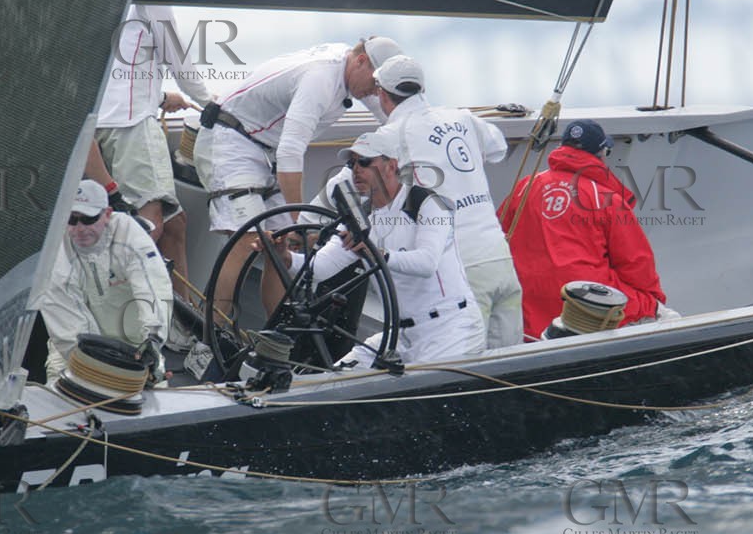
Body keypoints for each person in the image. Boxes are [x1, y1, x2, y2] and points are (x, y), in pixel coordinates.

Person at [193, 35, 402, 320]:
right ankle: (208, 336)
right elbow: (292, 152)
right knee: (247, 241)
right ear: (362, 61)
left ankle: (274, 341)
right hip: (231, 141)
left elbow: (394, 120)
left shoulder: (353, 69)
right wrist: (299, 221)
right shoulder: (320, 79)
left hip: (266, 150)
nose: (375, 92)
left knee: (285, 248)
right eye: (375, 83)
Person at [281, 123, 485, 365]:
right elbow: (319, 269)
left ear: (392, 166)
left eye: (365, 162)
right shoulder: (360, 220)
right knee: (338, 379)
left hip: (451, 329)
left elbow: (427, 263)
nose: (356, 169)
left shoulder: (429, 203)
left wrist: (376, 253)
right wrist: (282, 255)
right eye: (352, 163)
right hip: (400, 334)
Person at [375, 54, 523, 349]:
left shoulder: (390, 136)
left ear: (382, 94)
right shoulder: (462, 117)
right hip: (500, 258)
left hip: (463, 269)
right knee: (509, 362)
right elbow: (497, 150)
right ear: (421, 89)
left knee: (470, 369)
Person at [497, 119, 667, 339]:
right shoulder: (607, 200)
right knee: (662, 313)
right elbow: (635, 263)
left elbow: (500, 236)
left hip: (528, 311)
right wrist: (653, 302)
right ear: (602, 153)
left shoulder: (524, 187)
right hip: (585, 306)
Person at [89, 4, 213, 287]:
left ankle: (183, 324)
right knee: (151, 222)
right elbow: (178, 60)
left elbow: (113, 68)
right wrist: (211, 104)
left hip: (100, 122)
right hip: (130, 125)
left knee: (174, 225)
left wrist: (158, 97)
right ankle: (108, 307)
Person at [36, 180, 173, 384]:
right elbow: (70, 328)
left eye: (89, 219)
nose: (80, 228)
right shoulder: (54, 255)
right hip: (75, 350)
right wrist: (104, 369)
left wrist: (153, 340)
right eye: (72, 220)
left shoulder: (131, 236)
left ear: (107, 214)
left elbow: (153, 288)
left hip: (138, 346)